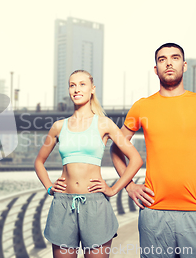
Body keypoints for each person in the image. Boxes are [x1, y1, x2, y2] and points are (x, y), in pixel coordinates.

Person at [110, 43, 196, 258]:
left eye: (175, 58)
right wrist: (129, 186)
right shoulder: (141, 106)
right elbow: (116, 148)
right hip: (154, 214)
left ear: (184, 66)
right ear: (155, 69)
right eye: (162, 59)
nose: (169, 62)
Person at [34, 70, 143, 258]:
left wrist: (114, 189)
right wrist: (50, 187)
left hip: (95, 206)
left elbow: (136, 159)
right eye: (72, 85)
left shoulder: (104, 124)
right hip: (62, 205)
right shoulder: (59, 126)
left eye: (82, 84)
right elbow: (39, 162)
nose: (76, 89)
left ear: (92, 89)